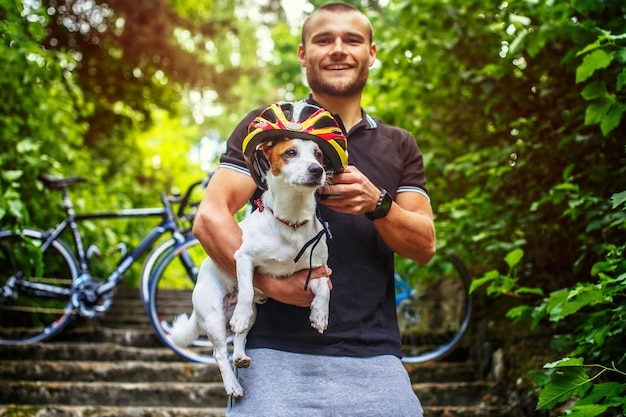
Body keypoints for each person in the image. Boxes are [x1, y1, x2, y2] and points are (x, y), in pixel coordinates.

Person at [192, 2, 436, 416]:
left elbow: (424, 245)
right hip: (271, 355)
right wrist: (270, 286)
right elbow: (210, 217)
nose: (338, 49)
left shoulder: (398, 144)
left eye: (352, 40)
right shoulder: (267, 127)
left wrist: (378, 204)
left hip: (375, 358)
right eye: (324, 40)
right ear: (304, 54)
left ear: (371, 53)